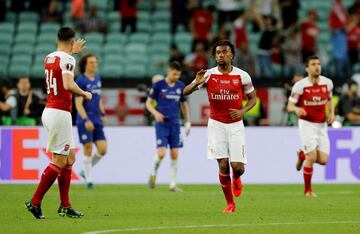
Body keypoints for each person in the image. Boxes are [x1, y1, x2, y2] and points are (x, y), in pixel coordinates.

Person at [183, 40, 257, 213]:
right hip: (216, 125)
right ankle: (230, 204)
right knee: (223, 165)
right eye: (218, 53)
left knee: (237, 168)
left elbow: (253, 98)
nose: (221, 55)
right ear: (215, 56)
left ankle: (237, 178)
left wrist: (243, 111)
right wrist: (196, 82)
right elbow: (185, 92)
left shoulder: (242, 75)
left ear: (232, 55)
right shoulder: (208, 75)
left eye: (224, 52)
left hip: (236, 125)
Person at [25, 27, 92, 219]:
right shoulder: (69, 59)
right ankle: (35, 202)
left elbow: (61, 64)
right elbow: (68, 84)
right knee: (59, 161)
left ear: (57, 39)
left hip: (50, 110)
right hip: (60, 113)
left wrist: (72, 52)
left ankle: (65, 205)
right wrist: (85, 93)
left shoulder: (49, 57)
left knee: (69, 158)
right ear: (72, 42)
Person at [287, 55, 335, 197]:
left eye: (318, 64)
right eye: (313, 64)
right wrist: (296, 109)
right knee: (313, 156)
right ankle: (308, 190)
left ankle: (302, 155)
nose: (317, 66)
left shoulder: (328, 83)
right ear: (307, 68)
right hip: (306, 124)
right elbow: (290, 106)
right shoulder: (300, 85)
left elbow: (330, 99)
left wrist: (331, 113)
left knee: (323, 161)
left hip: (321, 125)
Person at [146, 61, 191, 192]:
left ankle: (172, 184)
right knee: (161, 153)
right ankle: (153, 173)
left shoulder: (180, 86)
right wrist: (155, 113)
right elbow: (148, 104)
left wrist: (187, 122)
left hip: (175, 124)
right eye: (174, 74)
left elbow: (184, 105)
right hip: (162, 124)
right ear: (168, 71)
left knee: (175, 154)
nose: (176, 77)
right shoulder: (158, 85)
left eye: (178, 75)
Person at [75, 53, 108, 188]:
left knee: (103, 150)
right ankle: (88, 179)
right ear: (85, 65)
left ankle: (85, 170)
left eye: (95, 62)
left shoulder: (97, 78)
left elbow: (98, 98)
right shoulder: (80, 81)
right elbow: (78, 104)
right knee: (87, 147)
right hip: (85, 119)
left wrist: (103, 113)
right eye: (91, 62)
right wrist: (86, 119)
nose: (94, 64)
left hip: (97, 118)